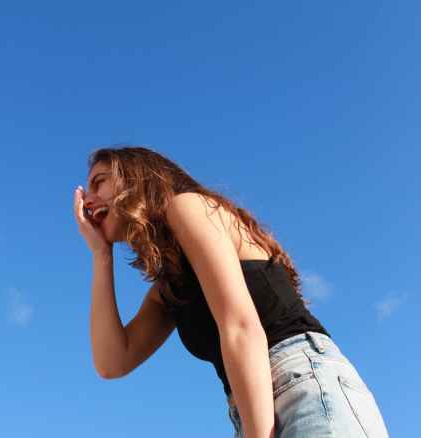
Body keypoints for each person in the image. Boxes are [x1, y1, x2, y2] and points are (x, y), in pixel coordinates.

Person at [73, 146, 389, 438]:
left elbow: (240, 327)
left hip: (302, 383)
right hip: (252, 411)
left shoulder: (187, 205)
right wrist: (101, 255)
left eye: (99, 182)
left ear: (136, 178)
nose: (88, 199)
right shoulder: (168, 289)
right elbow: (112, 362)